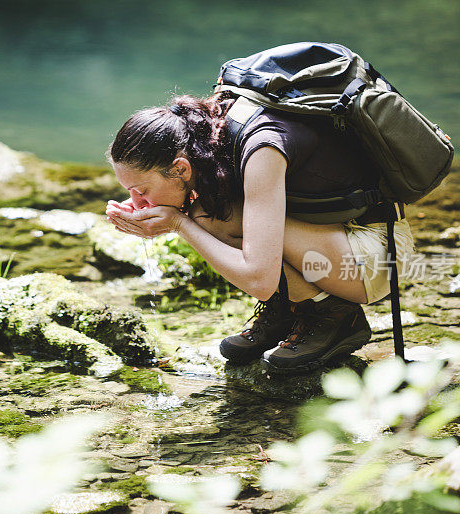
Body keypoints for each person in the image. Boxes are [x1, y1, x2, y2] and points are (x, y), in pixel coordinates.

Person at [105, 92, 415, 373]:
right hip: (340, 241)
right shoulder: (208, 134)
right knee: (209, 212)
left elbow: (258, 278)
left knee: (213, 217)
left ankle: (333, 316)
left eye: (140, 190)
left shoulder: (262, 150)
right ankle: (289, 311)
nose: (137, 202)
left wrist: (178, 223)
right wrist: (160, 208)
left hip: (378, 258)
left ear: (181, 169)